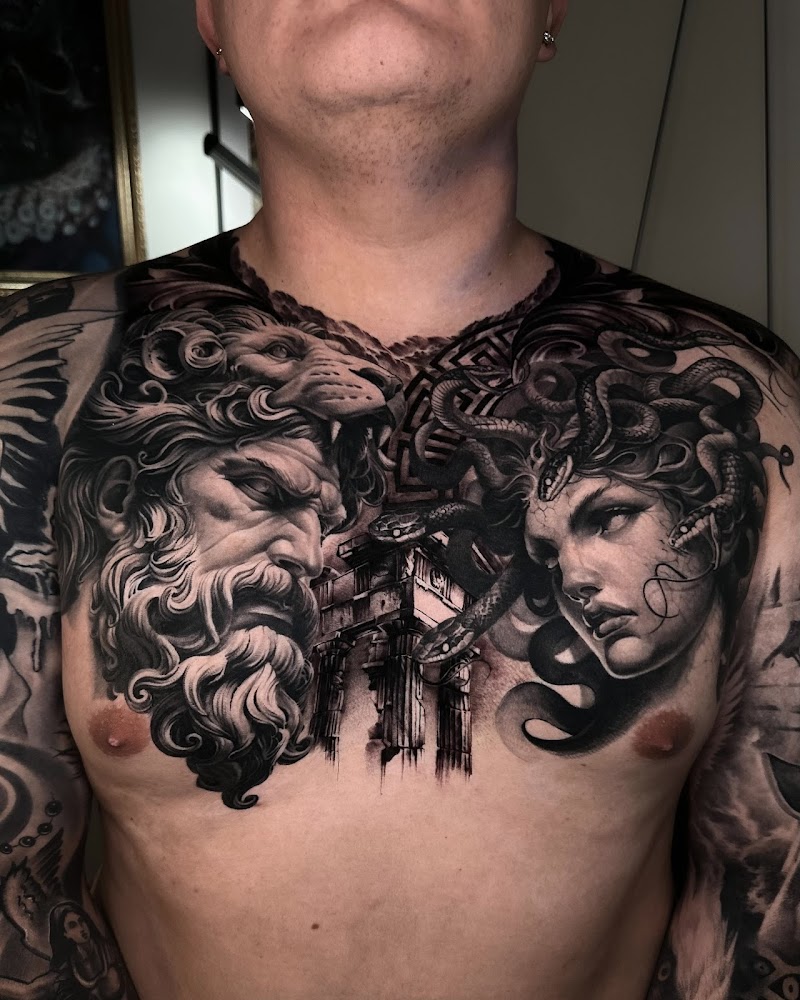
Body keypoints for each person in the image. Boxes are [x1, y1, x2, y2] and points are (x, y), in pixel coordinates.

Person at [0, 2, 797, 999]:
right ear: (212, 22)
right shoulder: (37, 384)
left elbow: (764, 897)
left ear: (550, 12)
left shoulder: (743, 405)